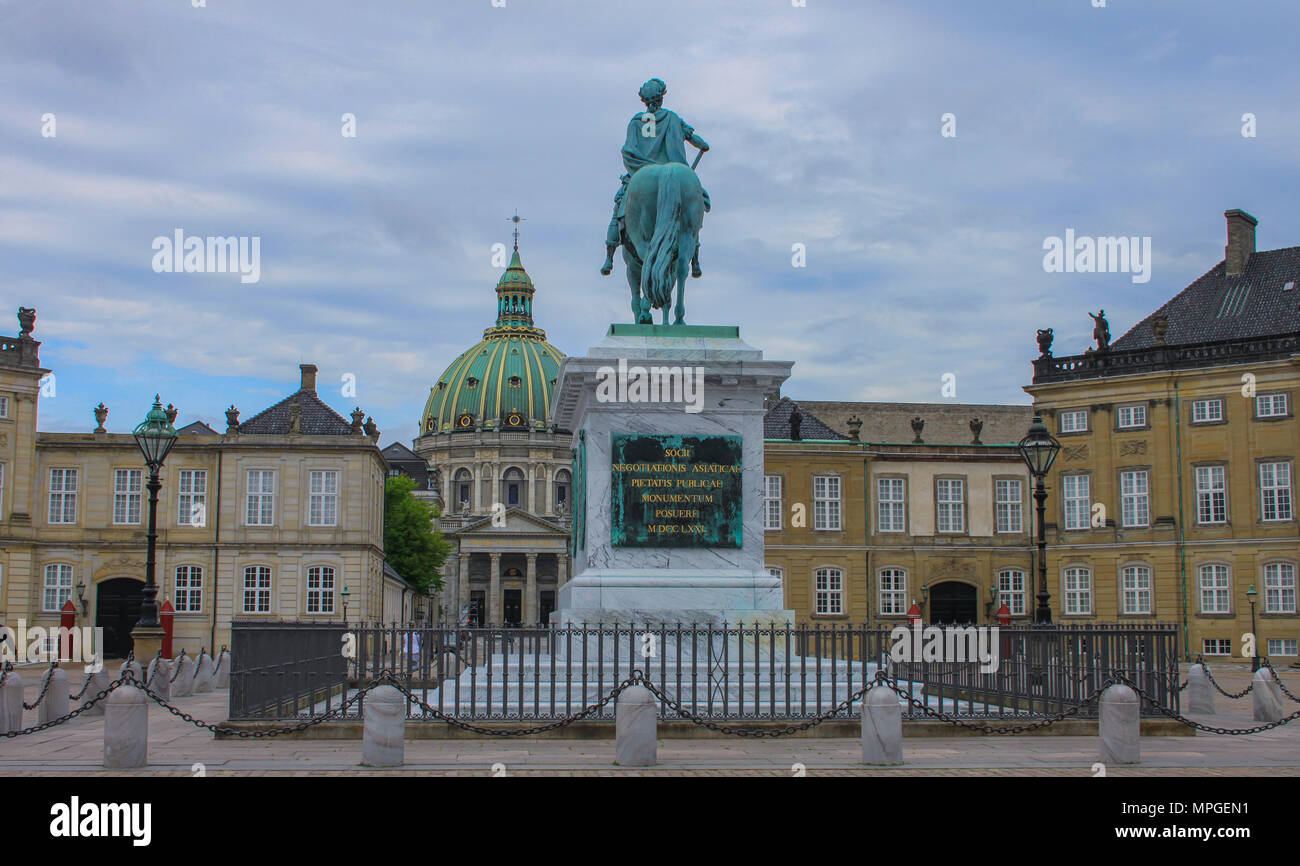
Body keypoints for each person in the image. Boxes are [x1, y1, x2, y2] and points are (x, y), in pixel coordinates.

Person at [601, 78, 709, 277]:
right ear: (661, 98)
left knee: (619, 208)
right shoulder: (673, 118)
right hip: (674, 169)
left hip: (641, 170)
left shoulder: (636, 122)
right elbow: (698, 141)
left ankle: (609, 257)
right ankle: (694, 258)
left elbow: (628, 149)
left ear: (644, 101)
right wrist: (703, 145)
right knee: (692, 213)